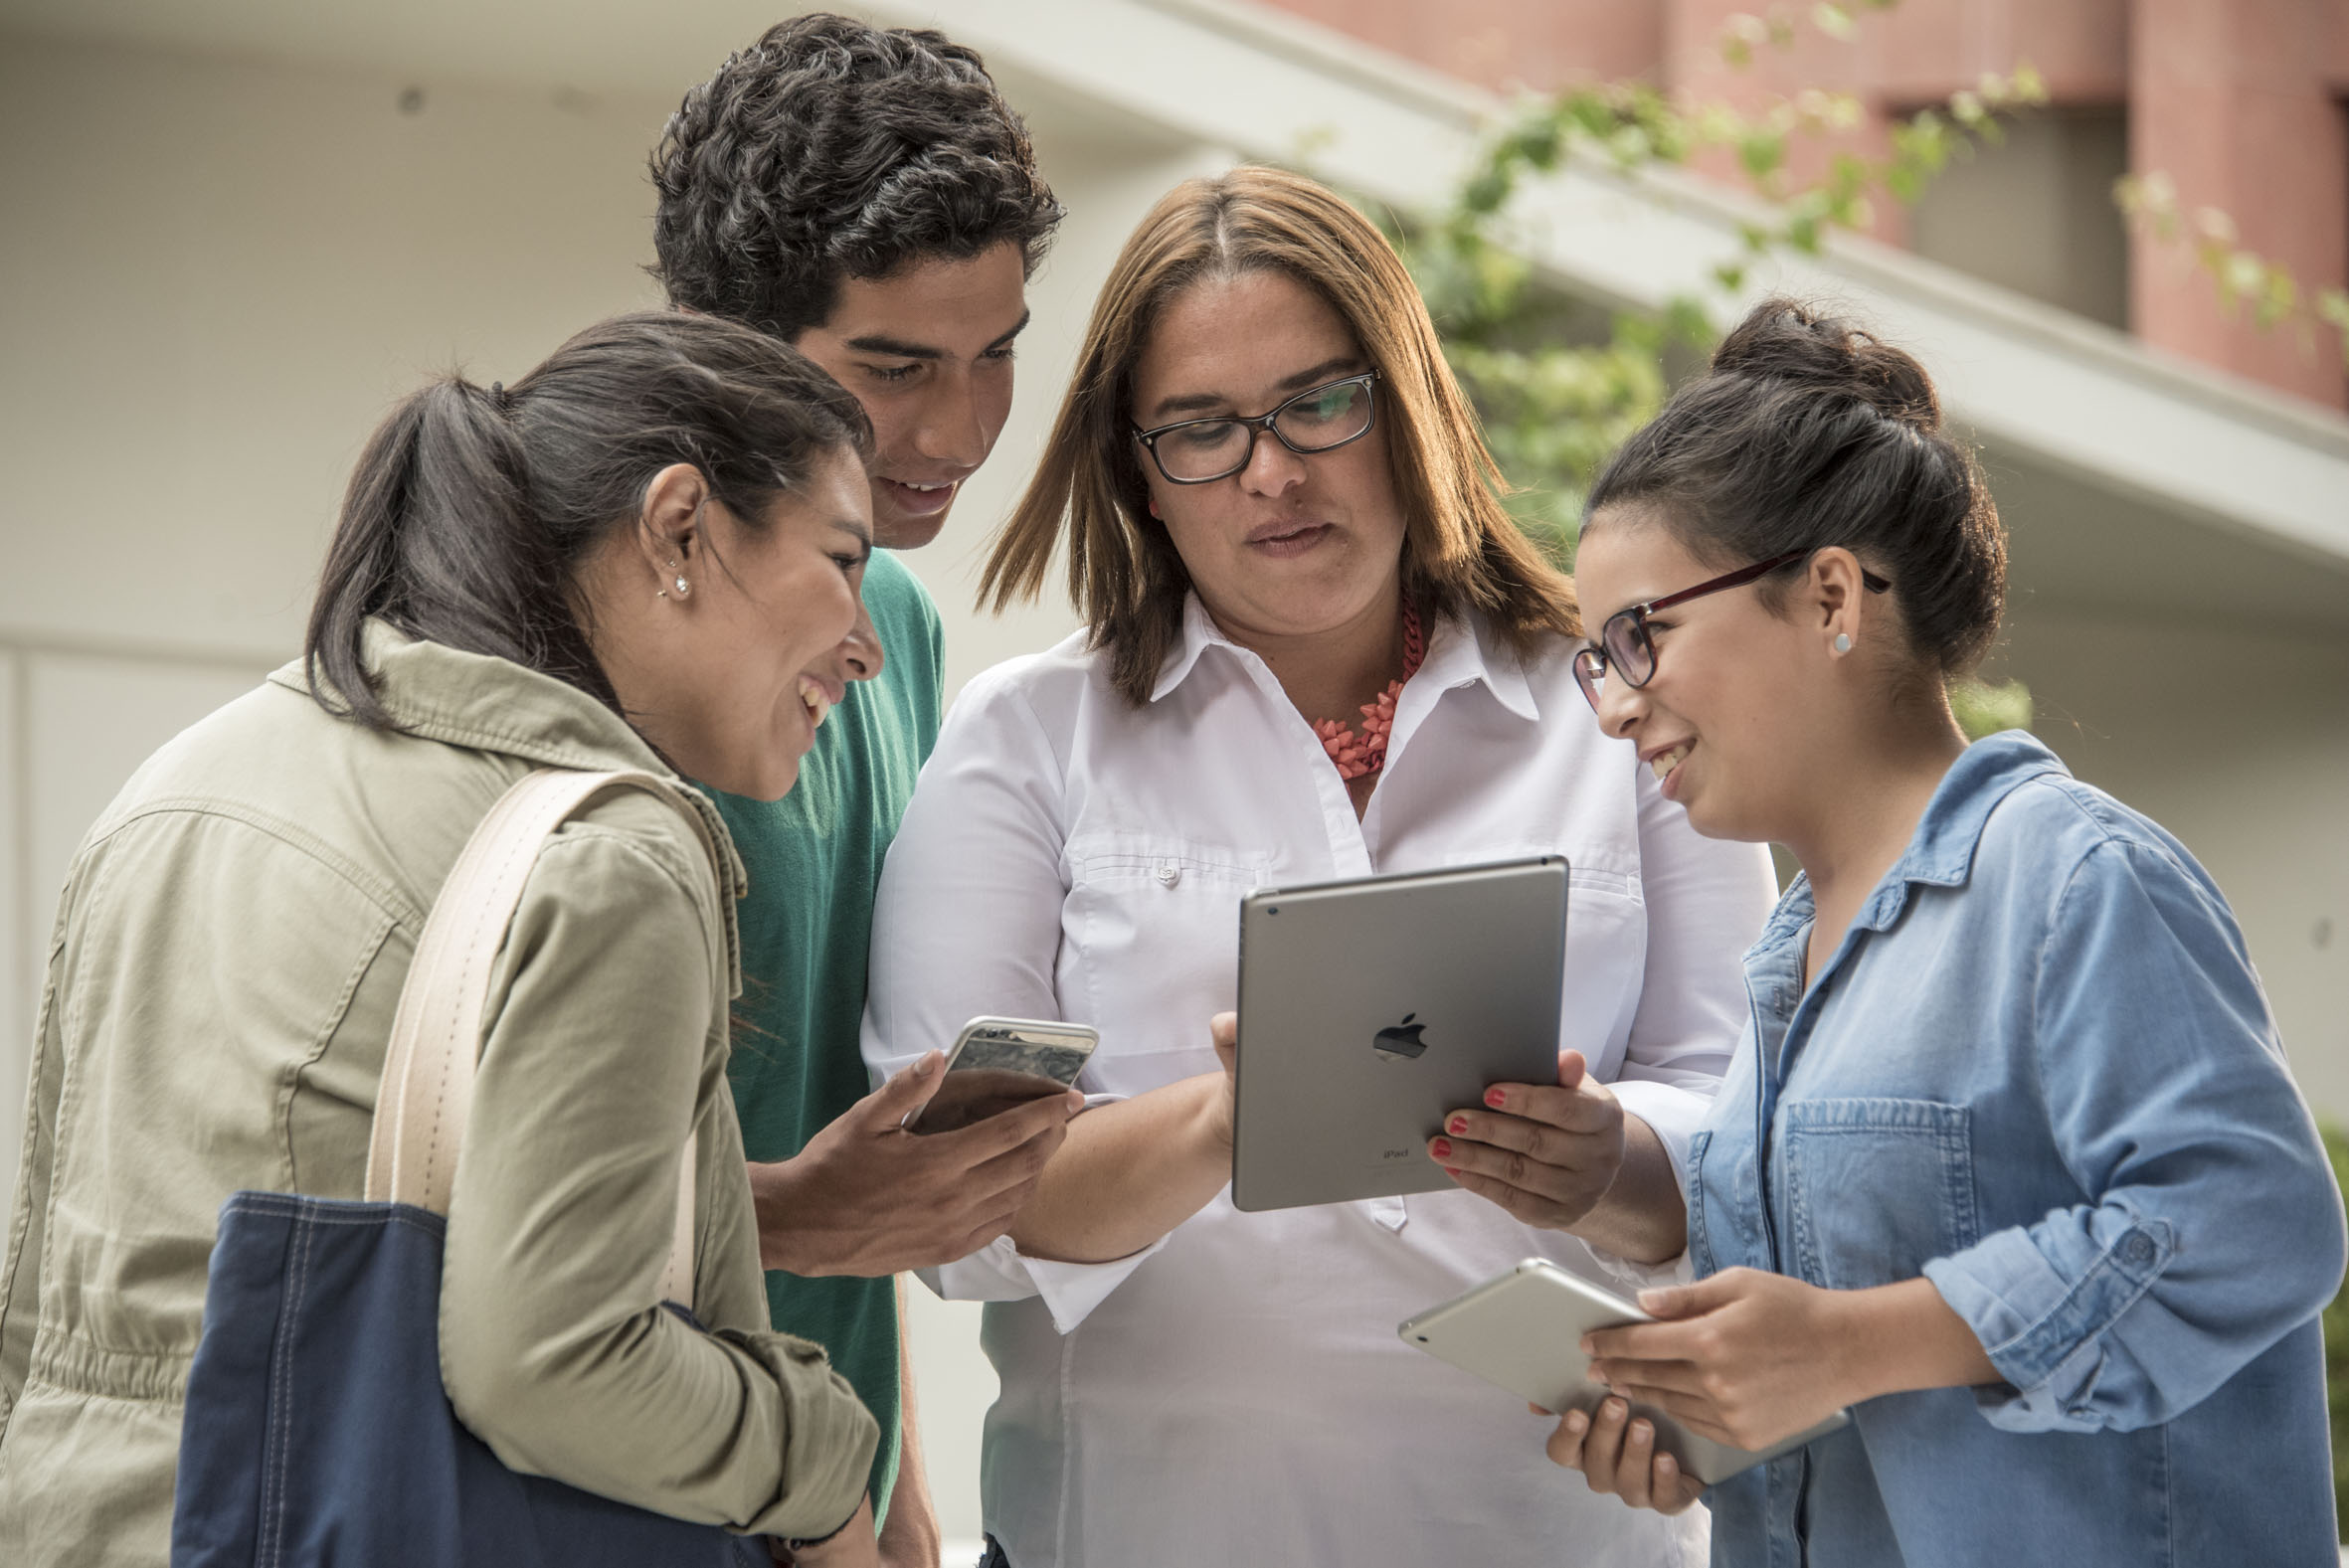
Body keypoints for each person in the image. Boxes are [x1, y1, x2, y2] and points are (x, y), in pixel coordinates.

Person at [858, 165, 1779, 1568]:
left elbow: (1757, 1148)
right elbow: (949, 1219)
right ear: (1138, 477)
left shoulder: (1624, 712)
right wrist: (1232, 1121)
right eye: (1201, 432)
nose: (1270, 470)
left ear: (1404, 407)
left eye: (1316, 403)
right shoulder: (1025, 744)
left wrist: (1608, 1162)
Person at [0, 312, 895, 1567]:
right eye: (845, 561)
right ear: (679, 525)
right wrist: (824, 1454)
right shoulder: (607, 853)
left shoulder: (178, 782)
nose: (865, 643)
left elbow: (45, 1295)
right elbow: (554, 1362)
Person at [1550, 299, 2347, 1564]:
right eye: (1596, 656)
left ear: (1825, 596)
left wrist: (1846, 1344)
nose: (1612, 705)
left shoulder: (2074, 880)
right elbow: (1818, 1334)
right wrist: (1691, 1397)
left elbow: (2251, 1214)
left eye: (1640, 636)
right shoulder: (1792, 956)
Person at [648, 20, 1068, 1558]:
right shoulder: (573, 644)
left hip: (819, 1495)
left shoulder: (893, 621)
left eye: (999, 352)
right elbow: (446, 1193)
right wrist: (797, 1217)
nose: (957, 436)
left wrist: (895, 1524)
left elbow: (851, 1170)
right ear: (728, 343)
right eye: (895, 369)